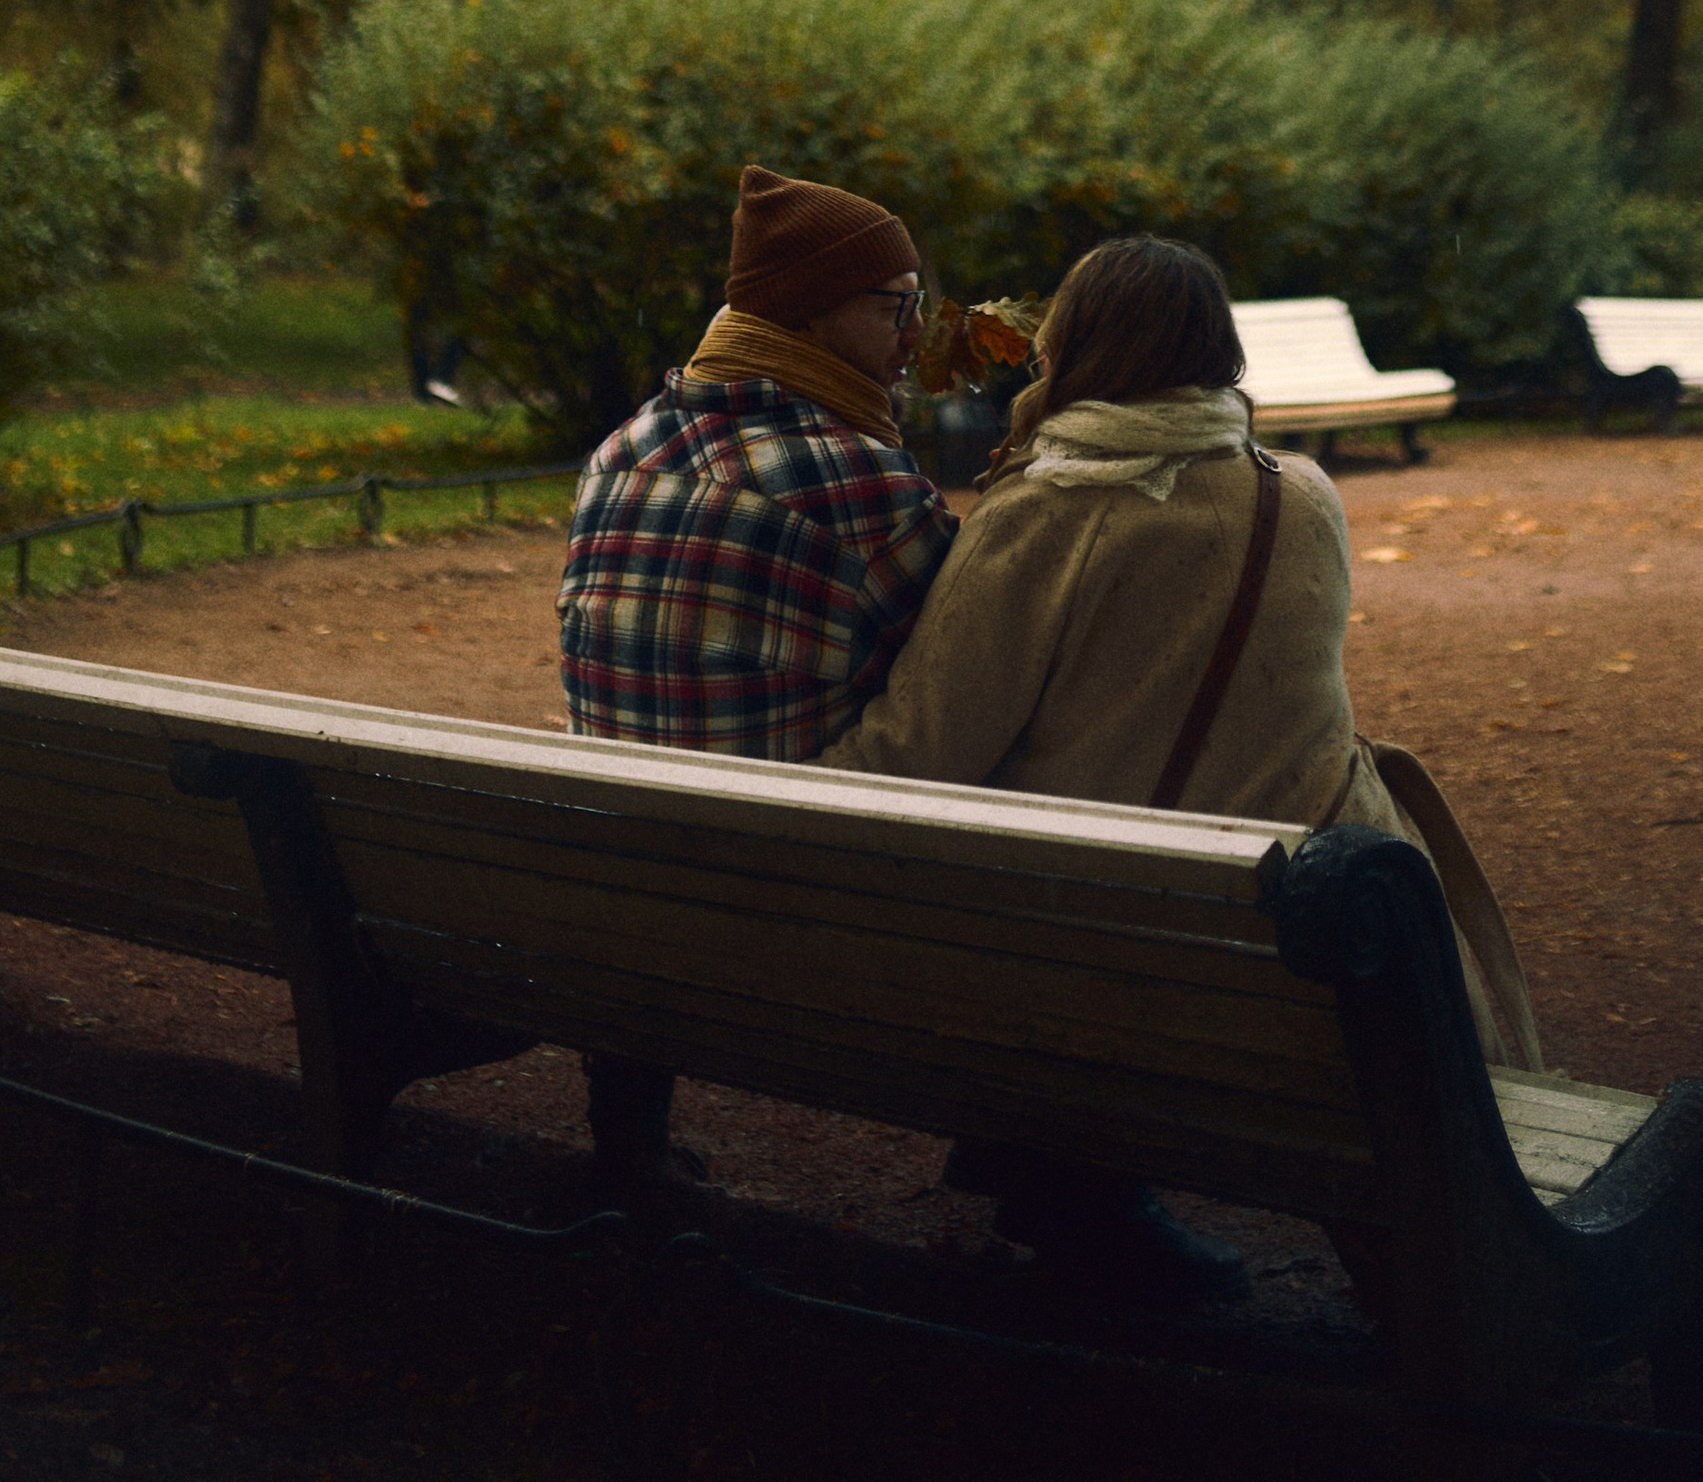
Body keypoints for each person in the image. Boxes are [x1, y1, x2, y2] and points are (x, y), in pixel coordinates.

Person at [823, 234, 1541, 1302]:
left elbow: (921, 751)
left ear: (1071, 346)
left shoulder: (1043, 512)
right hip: (1323, 942)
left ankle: (1070, 1193)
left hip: (1113, 951)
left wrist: (792, 775)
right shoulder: (1300, 495)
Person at [558, 156, 955, 1191]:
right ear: (814, 313)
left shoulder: (621, 448)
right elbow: (964, 678)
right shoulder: (862, 481)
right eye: (896, 307)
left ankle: (628, 1132)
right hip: (780, 899)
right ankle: (1073, 1193)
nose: (915, 335)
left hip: (609, 875)